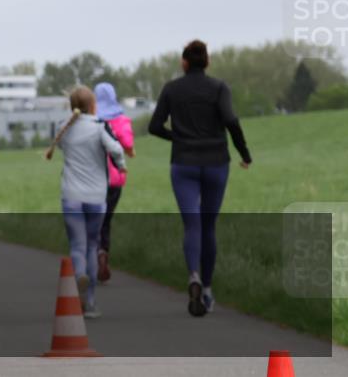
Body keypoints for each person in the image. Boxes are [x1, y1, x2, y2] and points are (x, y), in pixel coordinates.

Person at [148, 39, 252, 317]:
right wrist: (245, 153)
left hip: (183, 163)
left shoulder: (172, 89)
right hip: (217, 162)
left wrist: (177, 137)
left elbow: (154, 126)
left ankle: (193, 274)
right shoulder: (219, 88)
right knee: (208, 226)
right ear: (207, 62)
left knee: (191, 224)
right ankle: (206, 289)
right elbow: (231, 120)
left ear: (184, 63)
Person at [45, 86, 126, 319]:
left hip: (71, 196)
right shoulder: (100, 127)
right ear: (93, 106)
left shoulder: (65, 128)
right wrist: (120, 165)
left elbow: (60, 143)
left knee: (77, 247)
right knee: (93, 244)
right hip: (96, 197)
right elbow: (116, 149)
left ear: (72, 107)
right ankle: (90, 302)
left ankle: (79, 273)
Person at [93, 82, 136, 283]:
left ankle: (94, 255)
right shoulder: (122, 120)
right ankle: (104, 253)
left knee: (94, 220)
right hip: (116, 180)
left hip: (95, 178)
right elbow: (128, 145)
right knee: (106, 220)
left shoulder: (93, 121)